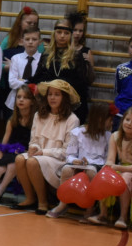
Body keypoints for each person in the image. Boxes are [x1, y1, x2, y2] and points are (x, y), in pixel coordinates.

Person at [12, 79, 81, 214]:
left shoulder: (72, 119)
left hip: (58, 159)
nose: (52, 98)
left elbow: (67, 151)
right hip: (40, 155)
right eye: (50, 94)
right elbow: (34, 140)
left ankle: (42, 202)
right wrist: (34, 147)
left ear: (64, 97)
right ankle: (30, 198)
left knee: (32, 162)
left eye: (57, 94)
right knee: (20, 159)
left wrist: (43, 152)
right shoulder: (39, 115)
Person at [47, 102, 113, 219]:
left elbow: (107, 159)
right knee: (67, 169)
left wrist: (91, 163)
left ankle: (90, 207)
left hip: (96, 166)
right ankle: (63, 203)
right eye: (109, 119)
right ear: (99, 119)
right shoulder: (78, 132)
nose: (111, 122)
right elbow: (70, 155)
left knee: (91, 171)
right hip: (80, 164)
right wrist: (75, 161)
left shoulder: (108, 136)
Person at [87, 106, 132, 229]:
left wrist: (115, 167)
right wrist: (108, 166)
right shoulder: (115, 136)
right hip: (119, 167)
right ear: (122, 120)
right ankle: (103, 214)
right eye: (127, 120)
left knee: (125, 179)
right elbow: (110, 158)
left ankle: (123, 217)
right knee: (103, 176)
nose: (129, 124)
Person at [0, 83, 35, 203]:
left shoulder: (35, 120)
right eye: (19, 97)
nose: (21, 100)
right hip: (10, 151)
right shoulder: (12, 120)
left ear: (32, 101)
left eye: (25, 97)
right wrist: (0, 157)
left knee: (13, 165)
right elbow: (5, 140)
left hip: (24, 153)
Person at [33, 19, 89, 121]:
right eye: (59, 32)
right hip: (49, 101)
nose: (62, 36)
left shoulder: (76, 55)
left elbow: (82, 83)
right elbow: (38, 77)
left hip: (69, 104)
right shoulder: (46, 54)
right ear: (54, 34)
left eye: (66, 33)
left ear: (70, 35)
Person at [5, 25, 42, 113]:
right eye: (27, 39)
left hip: (35, 104)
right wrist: (29, 83)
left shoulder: (43, 59)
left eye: (34, 39)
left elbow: (40, 84)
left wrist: (21, 80)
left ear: (40, 42)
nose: (30, 42)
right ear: (22, 41)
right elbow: (12, 83)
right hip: (14, 103)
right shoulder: (16, 58)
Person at [68, 10, 96, 87]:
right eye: (75, 30)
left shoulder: (86, 51)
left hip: (80, 90)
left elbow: (91, 79)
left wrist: (89, 65)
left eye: (80, 31)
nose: (77, 33)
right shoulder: (62, 48)